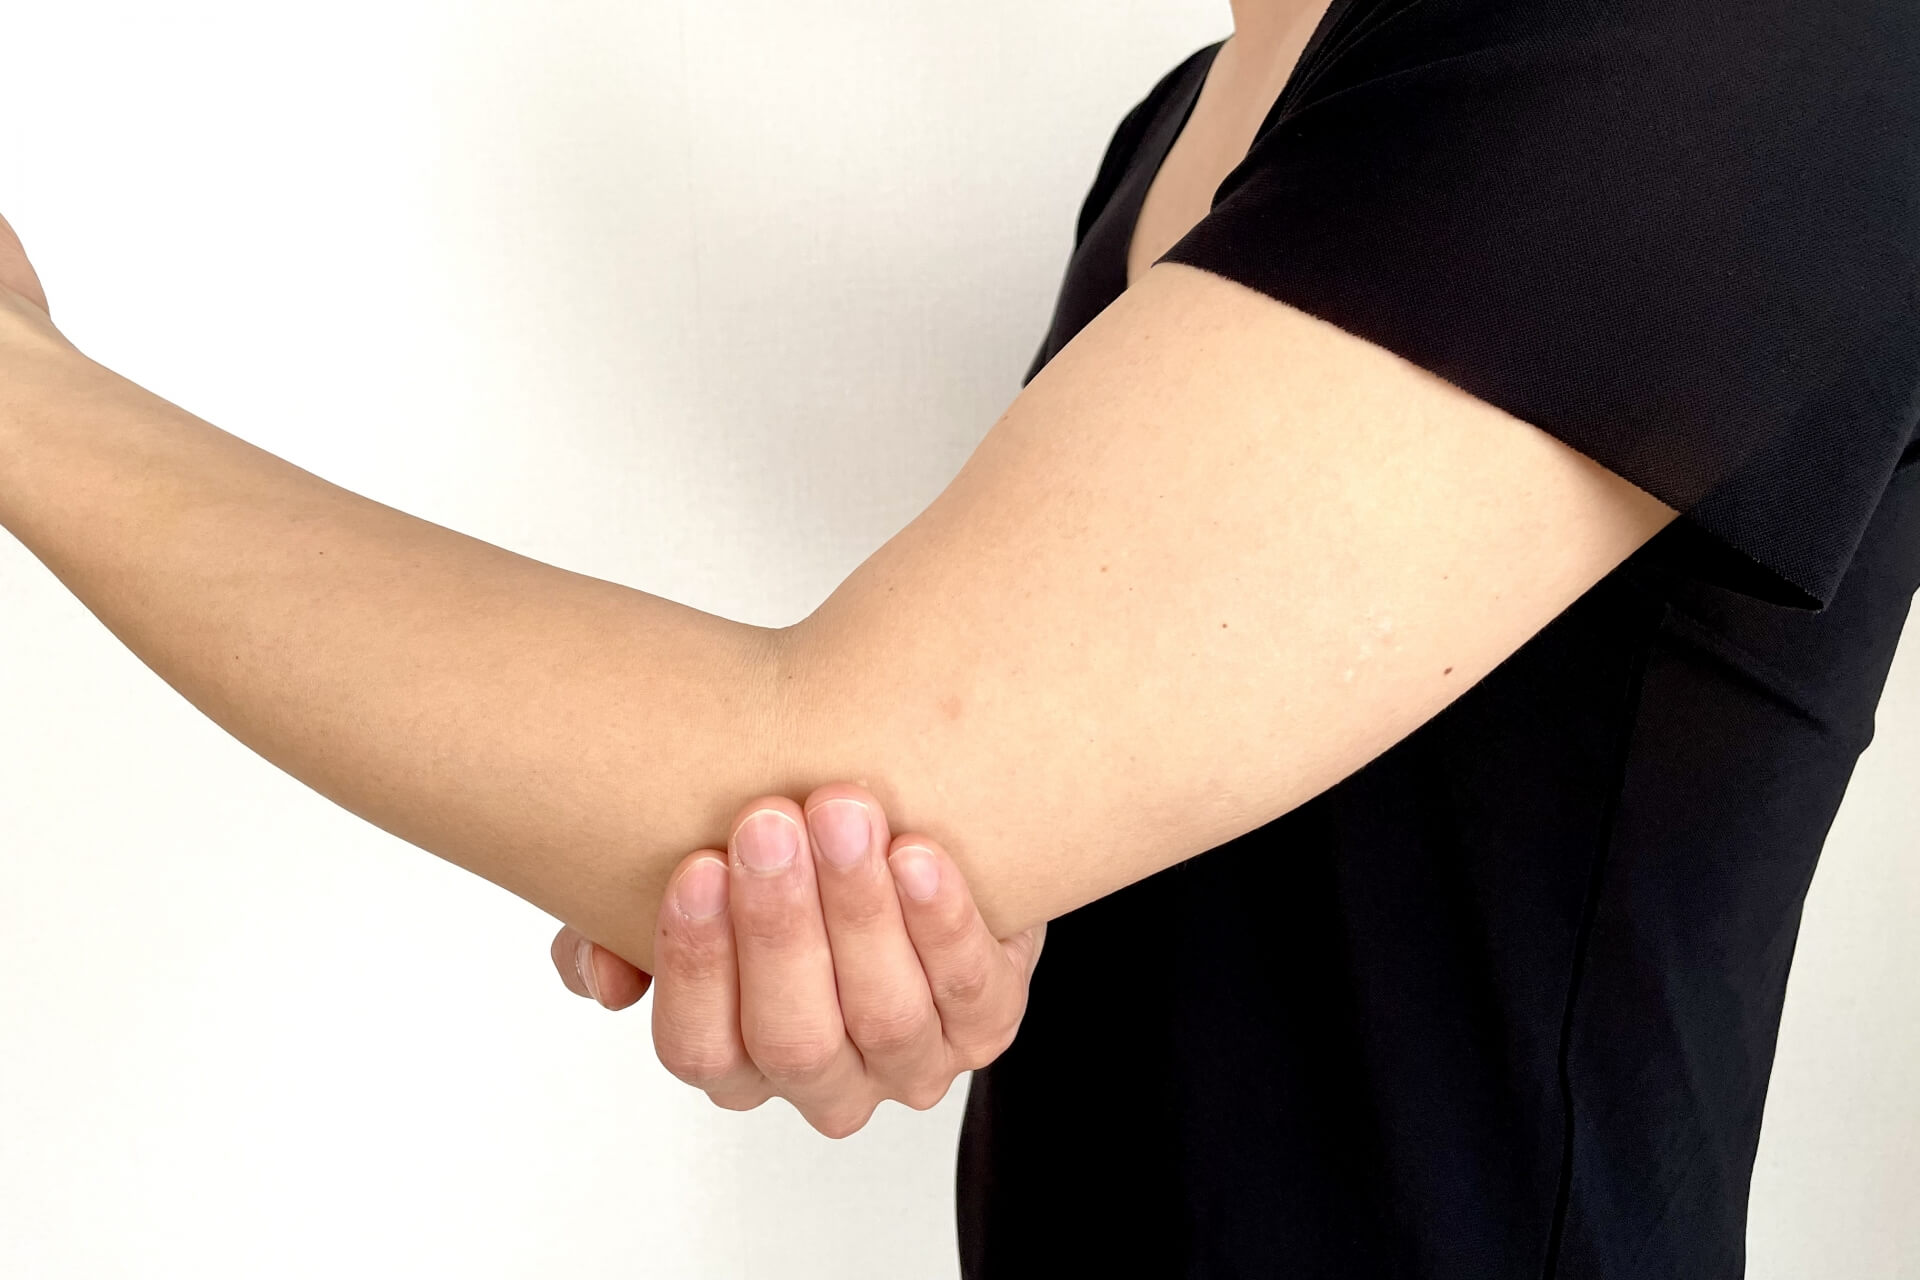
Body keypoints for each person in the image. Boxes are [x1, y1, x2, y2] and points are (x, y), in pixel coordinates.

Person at [2, 0, 1915, 1274]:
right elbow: (960, 813)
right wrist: (931, 900)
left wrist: (22, 395)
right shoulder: (1199, 124)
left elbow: (794, 771)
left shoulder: (1713, 42)